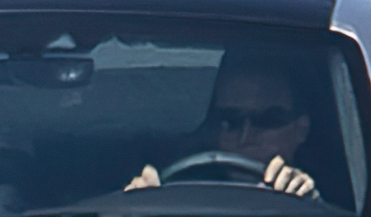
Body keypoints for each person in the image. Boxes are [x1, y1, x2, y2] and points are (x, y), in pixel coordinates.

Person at [125, 53, 318, 198]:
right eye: (230, 121)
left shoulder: (341, 202)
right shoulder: (179, 190)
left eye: (267, 120)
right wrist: (142, 205)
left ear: (301, 129)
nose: (245, 137)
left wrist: (309, 204)